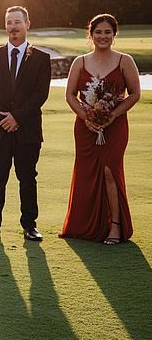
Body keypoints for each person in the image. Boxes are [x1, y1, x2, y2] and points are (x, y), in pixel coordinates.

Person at [60, 14, 140, 244]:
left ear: (114, 36)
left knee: (109, 170)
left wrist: (112, 114)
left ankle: (115, 226)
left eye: (107, 32)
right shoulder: (80, 62)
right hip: (85, 128)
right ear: (91, 35)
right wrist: (86, 117)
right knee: (87, 172)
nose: (103, 36)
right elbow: (70, 95)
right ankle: (84, 226)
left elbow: (135, 94)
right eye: (98, 32)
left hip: (115, 127)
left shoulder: (125, 61)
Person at [0, 6, 51, 242]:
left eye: (17, 22)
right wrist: (4, 119)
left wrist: (17, 117)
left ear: (27, 24)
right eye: (9, 22)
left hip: (27, 131)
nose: (13, 27)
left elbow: (40, 95)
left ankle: (30, 225)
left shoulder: (41, 58)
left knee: (27, 178)